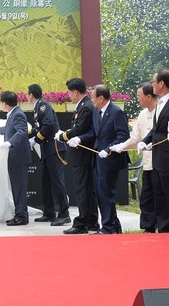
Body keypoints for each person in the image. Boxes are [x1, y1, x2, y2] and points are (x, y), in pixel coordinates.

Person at [140, 68, 169, 233]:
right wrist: (144, 141)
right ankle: (164, 227)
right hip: (158, 156)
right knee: (160, 195)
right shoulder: (159, 103)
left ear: (161, 83)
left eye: (153, 81)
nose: (152, 84)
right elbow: (155, 129)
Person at [110, 82, 158, 232]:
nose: (137, 99)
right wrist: (121, 146)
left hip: (161, 162)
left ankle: (163, 227)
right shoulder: (143, 114)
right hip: (147, 162)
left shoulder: (161, 111)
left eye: (139, 96)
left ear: (148, 96)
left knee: (161, 197)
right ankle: (148, 227)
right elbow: (136, 137)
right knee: (146, 197)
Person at [83, 84, 129, 234]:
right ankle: (114, 226)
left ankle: (108, 227)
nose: (92, 100)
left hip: (110, 160)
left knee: (107, 193)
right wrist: (78, 139)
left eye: (93, 97)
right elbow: (94, 133)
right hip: (98, 159)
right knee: (101, 193)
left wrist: (108, 148)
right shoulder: (97, 112)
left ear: (101, 98)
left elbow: (122, 135)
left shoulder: (116, 112)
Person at [55, 78, 99, 234]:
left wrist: (62, 136)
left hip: (82, 154)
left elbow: (78, 129)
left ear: (75, 92)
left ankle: (81, 223)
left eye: (69, 92)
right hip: (82, 154)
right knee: (87, 189)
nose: (69, 95)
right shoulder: (83, 105)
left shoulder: (85, 107)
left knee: (83, 190)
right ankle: (91, 221)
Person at [26, 84, 70, 226]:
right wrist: (25, 136)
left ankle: (64, 214)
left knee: (57, 182)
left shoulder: (43, 105)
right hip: (47, 150)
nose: (27, 97)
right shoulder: (37, 107)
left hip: (54, 148)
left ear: (31, 95)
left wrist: (36, 140)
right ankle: (49, 213)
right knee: (46, 183)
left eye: (28, 94)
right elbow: (38, 127)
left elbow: (49, 125)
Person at [0, 91, 31, 226]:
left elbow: (22, 132)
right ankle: (21, 214)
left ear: (5, 104)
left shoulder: (17, 115)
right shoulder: (13, 114)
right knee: (17, 188)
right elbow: (8, 129)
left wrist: (10, 142)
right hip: (15, 158)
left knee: (19, 188)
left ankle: (21, 216)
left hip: (19, 158)